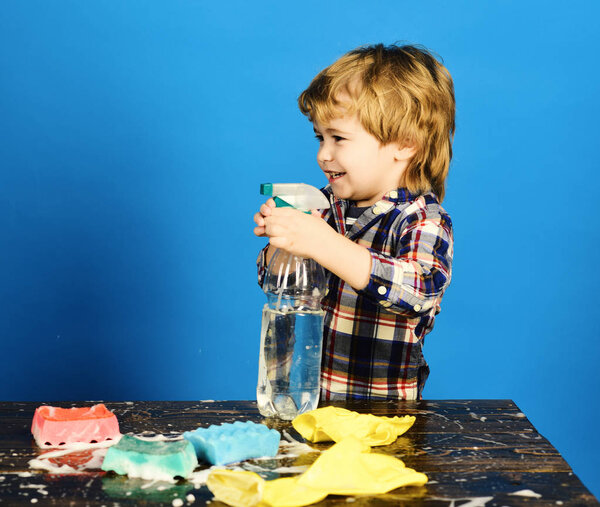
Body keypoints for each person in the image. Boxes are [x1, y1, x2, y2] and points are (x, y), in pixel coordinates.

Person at [253, 43, 455, 401]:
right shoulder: (324, 206)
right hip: (305, 402)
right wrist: (279, 244)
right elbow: (278, 283)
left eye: (339, 139)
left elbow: (419, 292)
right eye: (320, 137)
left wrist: (322, 243)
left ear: (405, 144)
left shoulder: (422, 220)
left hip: (382, 417)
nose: (322, 155)